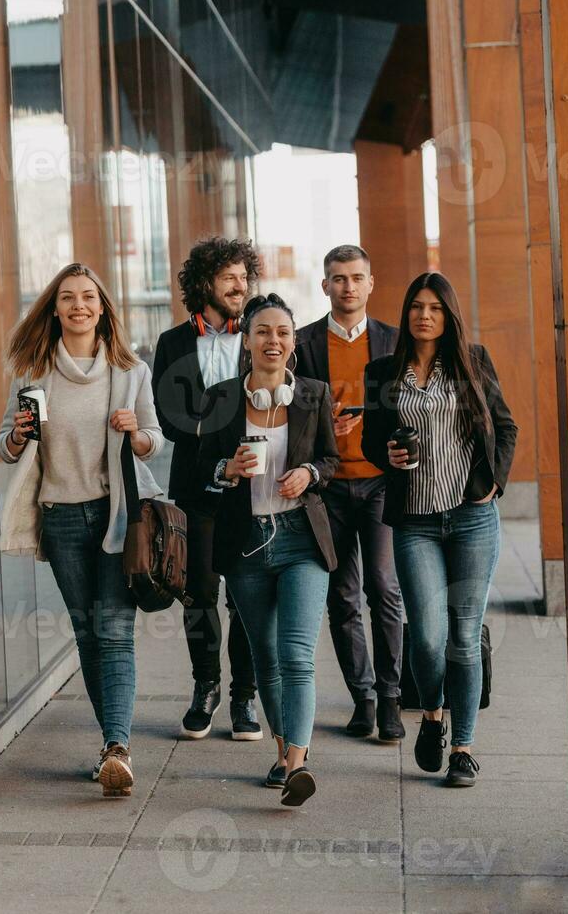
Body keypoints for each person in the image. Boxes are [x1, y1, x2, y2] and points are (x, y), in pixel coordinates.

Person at [0, 263, 165, 798]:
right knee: (89, 634)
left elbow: (153, 441)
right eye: (67, 298)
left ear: (102, 307)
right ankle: (110, 745)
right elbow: (5, 446)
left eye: (87, 297)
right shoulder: (33, 373)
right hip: (62, 518)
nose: (78, 306)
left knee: (114, 630)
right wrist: (19, 436)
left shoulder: (130, 370)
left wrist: (136, 433)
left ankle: (118, 748)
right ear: (55, 309)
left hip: (117, 516)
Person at [363, 272, 517, 789]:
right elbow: (370, 441)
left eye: (434, 308)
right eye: (416, 307)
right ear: (406, 314)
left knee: (464, 636)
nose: (424, 315)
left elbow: (505, 425)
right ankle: (432, 715)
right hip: (416, 523)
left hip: (472, 517)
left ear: (448, 315)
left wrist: (493, 481)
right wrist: (385, 453)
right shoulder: (383, 371)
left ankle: (466, 747)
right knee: (427, 637)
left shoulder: (473, 361)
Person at [196, 294, 340, 807]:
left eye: (281, 331)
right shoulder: (221, 399)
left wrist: (311, 473)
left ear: (293, 341)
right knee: (267, 659)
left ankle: (298, 764)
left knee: (298, 655)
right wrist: (225, 471)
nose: (272, 340)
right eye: (262, 331)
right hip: (247, 544)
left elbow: (331, 459)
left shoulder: (314, 395)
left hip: (302, 538)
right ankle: (282, 753)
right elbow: (198, 472)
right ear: (248, 340)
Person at [293, 245, 405, 741]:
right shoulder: (303, 343)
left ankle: (391, 699)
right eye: (338, 278)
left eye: (356, 277)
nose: (348, 287)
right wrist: (322, 427)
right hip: (328, 487)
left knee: (382, 587)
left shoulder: (393, 342)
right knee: (341, 595)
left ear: (370, 283)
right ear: (325, 286)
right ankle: (362, 696)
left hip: (380, 482)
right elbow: (290, 411)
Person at [152, 237, 261, 741]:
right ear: (204, 285)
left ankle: (245, 697)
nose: (240, 286)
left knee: (246, 595)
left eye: (244, 276)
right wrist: (208, 440)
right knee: (198, 593)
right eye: (229, 278)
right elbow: (166, 418)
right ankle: (206, 686)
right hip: (196, 485)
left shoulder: (260, 335)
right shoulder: (173, 343)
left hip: (251, 485)